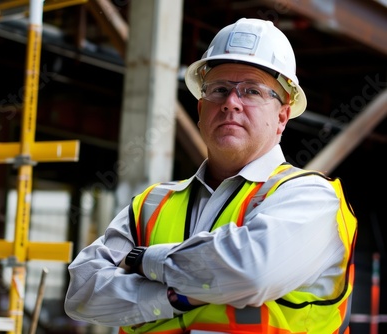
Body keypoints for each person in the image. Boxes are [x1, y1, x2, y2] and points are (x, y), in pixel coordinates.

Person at [64, 18, 357, 334]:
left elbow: (249, 273)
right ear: (201, 109)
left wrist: (144, 261)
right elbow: (83, 294)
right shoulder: (151, 204)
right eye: (219, 89)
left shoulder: (310, 197)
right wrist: (178, 296)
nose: (231, 103)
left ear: (282, 115)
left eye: (251, 91)